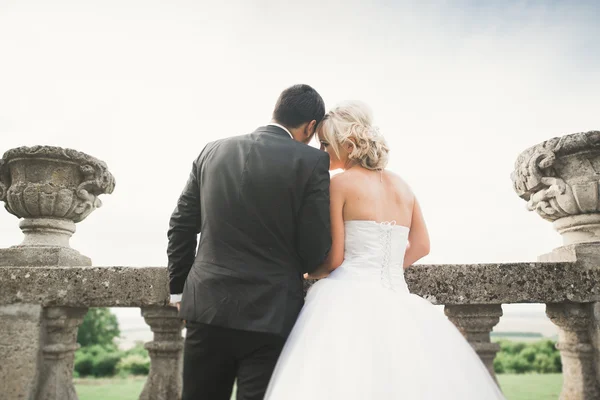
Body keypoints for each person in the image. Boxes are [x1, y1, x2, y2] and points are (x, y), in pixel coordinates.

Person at [265, 101, 505, 399]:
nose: (322, 152)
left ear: (349, 146)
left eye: (326, 144)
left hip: (346, 298)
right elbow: (422, 245)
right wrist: (386, 269)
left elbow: (335, 259)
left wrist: (306, 271)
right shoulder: (403, 186)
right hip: (397, 297)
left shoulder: (339, 185)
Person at [167, 84, 332, 400]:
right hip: (271, 315)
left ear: (277, 110)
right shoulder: (311, 162)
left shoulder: (211, 150)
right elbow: (314, 252)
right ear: (311, 126)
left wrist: (179, 289)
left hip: (206, 307)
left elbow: (181, 225)